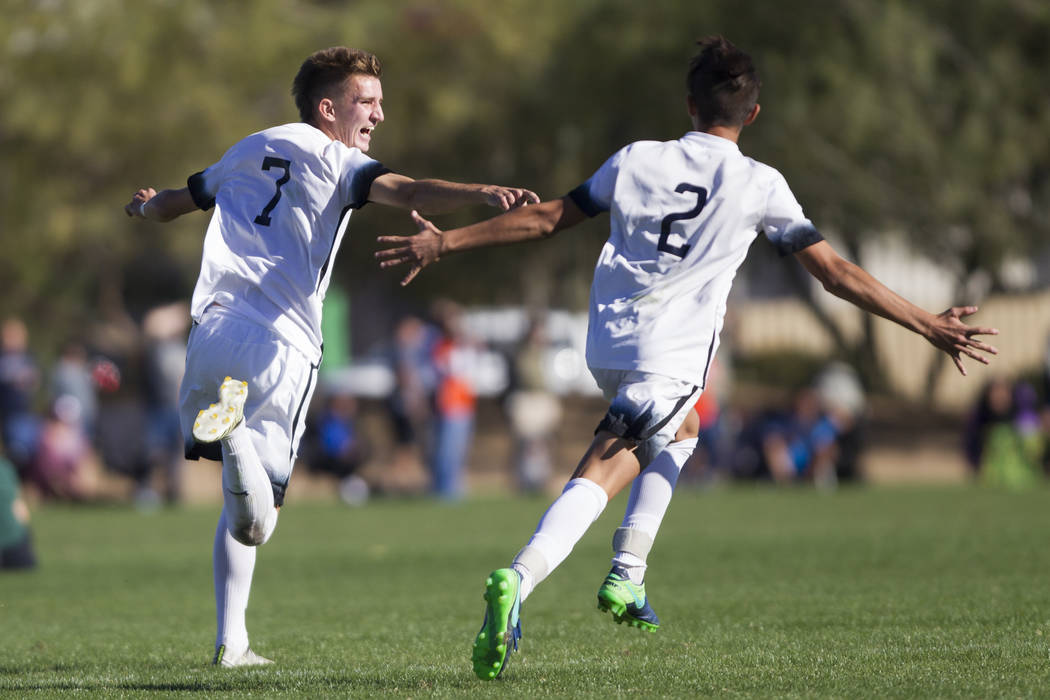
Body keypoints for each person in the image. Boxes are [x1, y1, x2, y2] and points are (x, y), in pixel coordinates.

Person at [375, 36, 1000, 679]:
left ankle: (627, 574)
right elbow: (834, 273)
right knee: (607, 463)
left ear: (689, 104)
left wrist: (444, 242)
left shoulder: (635, 159)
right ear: (752, 114)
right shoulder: (760, 184)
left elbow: (547, 219)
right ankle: (521, 577)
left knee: (685, 429)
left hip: (607, 343)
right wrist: (926, 322)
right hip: (668, 354)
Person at [123, 46, 538, 668]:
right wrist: (482, 191)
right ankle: (233, 438)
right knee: (257, 521)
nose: (377, 113)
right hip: (281, 345)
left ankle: (231, 642)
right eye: (366, 101)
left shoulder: (245, 148)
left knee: (237, 500)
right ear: (328, 106)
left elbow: (172, 204)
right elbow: (409, 189)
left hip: (211, 335)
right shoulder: (342, 160)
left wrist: (144, 204)